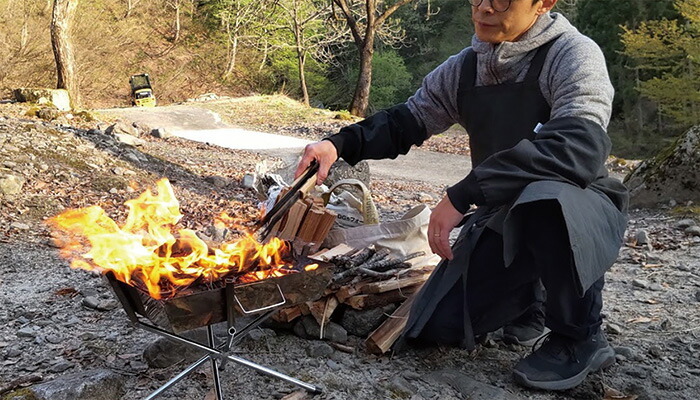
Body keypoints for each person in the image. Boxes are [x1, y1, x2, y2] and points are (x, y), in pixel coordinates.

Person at [295, 0, 628, 391]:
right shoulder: (467, 67)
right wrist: (339, 144)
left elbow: (579, 148)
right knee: (436, 327)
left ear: (543, 4)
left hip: (576, 211)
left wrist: (463, 193)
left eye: (501, 0)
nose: (484, 9)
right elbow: (408, 119)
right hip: (502, 215)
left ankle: (580, 335)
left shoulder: (572, 54)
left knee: (545, 200)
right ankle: (528, 301)